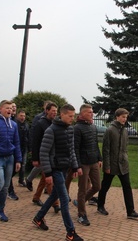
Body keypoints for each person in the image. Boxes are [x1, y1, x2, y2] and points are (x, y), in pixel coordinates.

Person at [32, 104, 84, 241]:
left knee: (54, 195)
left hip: (64, 168)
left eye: (74, 116)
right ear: (62, 115)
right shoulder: (51, 130)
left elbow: (71, 150)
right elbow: (43, 152)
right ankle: (70, 232)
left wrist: (74, 167)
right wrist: (48, 173)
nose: (72, 119)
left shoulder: (70, 130)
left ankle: (38, 218)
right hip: (54, 169)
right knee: (64, 199)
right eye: (70, 116)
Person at [96, 108, 138, 219]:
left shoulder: (125, 131)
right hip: (112, 165)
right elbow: (106, 149)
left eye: (126, 117)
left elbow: (125, 148)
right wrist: (106, 166)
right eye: (122, 117)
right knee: (105, 186)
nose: (124, 119)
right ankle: (100, 206)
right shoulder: (110, 130)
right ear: (117, 117)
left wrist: (125, 158)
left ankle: (130, 211)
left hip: (123, 164)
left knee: (127, 187)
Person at [72, 104, 102, 226]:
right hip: (83, 163)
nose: (92, 114)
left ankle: (81, 202)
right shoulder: (77, 128)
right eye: (89, 112)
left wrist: (99, 158)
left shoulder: (93, 127)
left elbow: (95, 144)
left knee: (97, 186)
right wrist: (77, 166)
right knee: (82, 189)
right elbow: (75, 148)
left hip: (94, 161)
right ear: (82, 114)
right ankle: (81, 214)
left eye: (92, 112)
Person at [30, 102, 60, 211]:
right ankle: (55, 204)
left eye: (56, 111)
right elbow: (35, 141)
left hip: (52, 155)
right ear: (47, 111)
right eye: (52, 111)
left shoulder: (55, 123)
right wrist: (35, 158)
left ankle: (36, 196)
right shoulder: (40, 124)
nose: (54, 113)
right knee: (49, 179)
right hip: (43, 155)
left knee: (44, 177)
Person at [25, 100, 53, 191]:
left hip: (50, 146)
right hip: (41, 145)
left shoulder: (53, 119)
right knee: (40, 166)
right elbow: (34, 133)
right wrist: (33, 150)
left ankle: (44, 187)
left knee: (44, 167)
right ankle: (30, 179)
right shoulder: (39, 118)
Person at [15, 109, 30, 187]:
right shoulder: (14, 124)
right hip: (16, 147)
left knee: (23, 164)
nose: (22, 117)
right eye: (21, 116)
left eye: (24, 116)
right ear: (17, 116)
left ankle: (21, 180)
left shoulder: (26, 125)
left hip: (24, 147)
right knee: (15, 164)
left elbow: (28, 135)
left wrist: (29, 147)